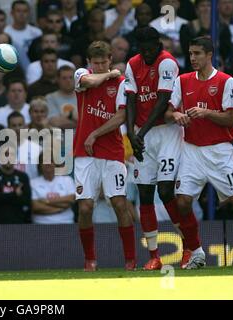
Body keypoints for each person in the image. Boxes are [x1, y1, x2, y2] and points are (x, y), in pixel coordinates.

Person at [166, 36, 233, 268]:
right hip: (192, 151)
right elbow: (168, 111)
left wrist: (206, 113)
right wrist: (176, 115)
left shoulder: (225, 81)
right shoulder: (182, 81)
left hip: (219, 151)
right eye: (190, 54)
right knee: (183, 202)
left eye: (198, 54)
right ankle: (196, 252)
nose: (193, 58)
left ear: (209, 55)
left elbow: (230, 118)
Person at [125, 26, 192, 270]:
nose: (148, 51)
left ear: (158, 43)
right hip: (144, 135)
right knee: (144, 193)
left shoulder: (167, 63)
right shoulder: (133, 64)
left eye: (152, 46)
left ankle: (189, 246)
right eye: (143, 48)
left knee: (165, 191)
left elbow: (163, 100)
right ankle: (154, 256)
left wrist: (139, 134)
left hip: (167, 132)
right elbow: (131, 99)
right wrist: (132, 134)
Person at [74, 41, 136, 271]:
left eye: (104, 62)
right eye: (96, 63)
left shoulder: (121, 84)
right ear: (89, 62)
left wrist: (95, 134)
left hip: (111, 151)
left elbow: (121, 117)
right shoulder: (81, 75)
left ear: (110, 58)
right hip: (84, 153)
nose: (100, 66)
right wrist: (110, 73)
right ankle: (90, 260)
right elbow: (90, 81)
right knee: (85, 208)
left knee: (119, 203)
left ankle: (130, 260)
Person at [30, 152, 75, 224]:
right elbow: (35, 206)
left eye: (51, 160)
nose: (48, 163)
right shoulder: (33, 183)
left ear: (55, 163)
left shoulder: (67, 180)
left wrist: (46, 201)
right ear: (40, 165)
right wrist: (60, 208)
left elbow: (71, 199)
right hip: (40, 224)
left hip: (66, 222)